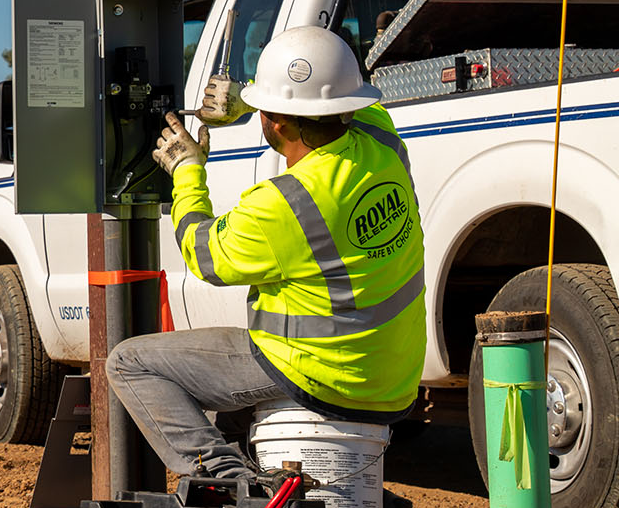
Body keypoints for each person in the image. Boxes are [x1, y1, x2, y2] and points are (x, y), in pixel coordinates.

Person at [108, 25, 426, 483]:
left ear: (275, 122)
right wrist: (248, 99)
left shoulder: (286, 202)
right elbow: (344, 104)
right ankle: (326, 495)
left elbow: (204, 254)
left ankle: (228, 481)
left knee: (130, 362)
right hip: (393, 377)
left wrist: (187, 170)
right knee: (233, 414)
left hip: (322, 373)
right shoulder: (381, 139)